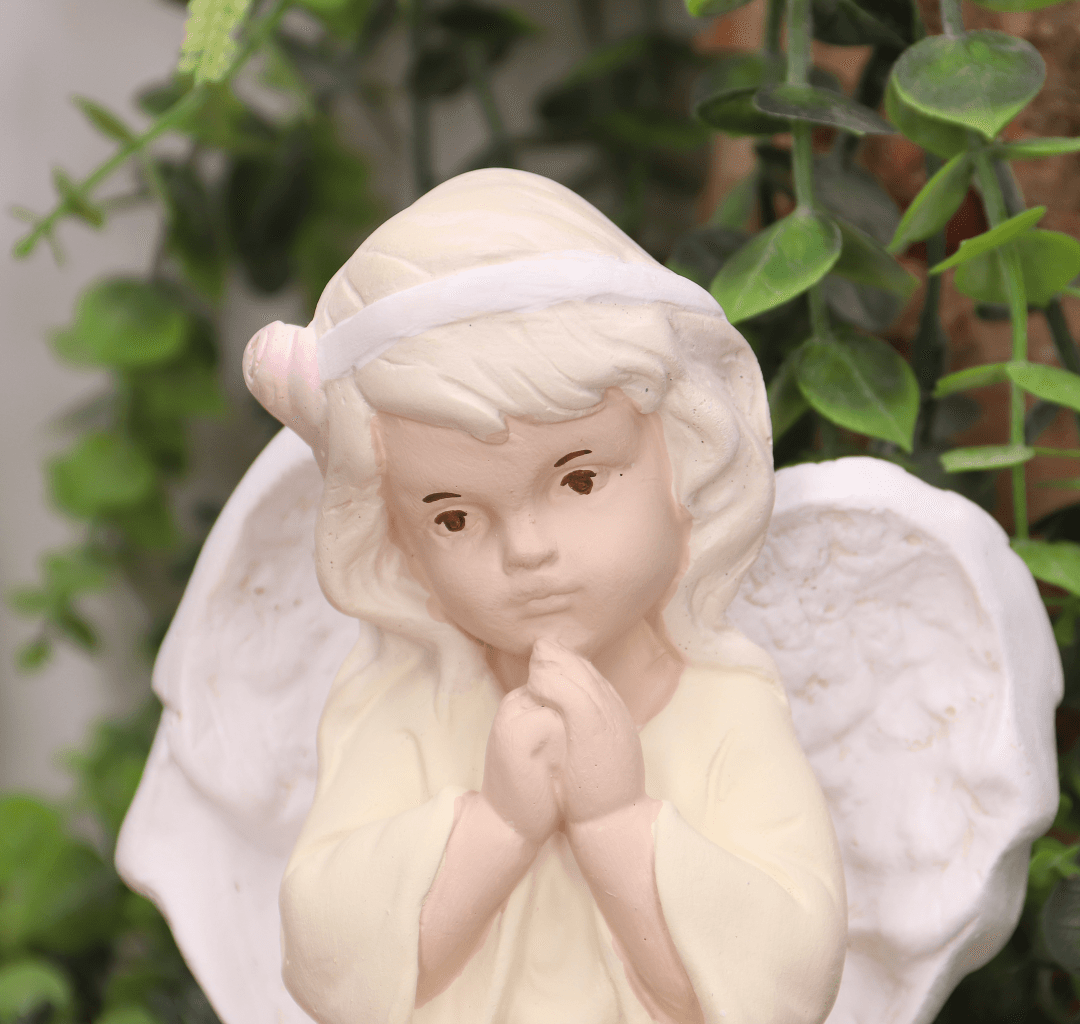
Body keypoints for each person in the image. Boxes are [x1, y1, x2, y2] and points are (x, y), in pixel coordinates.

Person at [242, 167, 847, 1024]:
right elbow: (325, 957)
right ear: (400, 543)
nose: (526, 550)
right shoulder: (406, 705)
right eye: (453, 518)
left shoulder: (724, 704)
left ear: (686, 456)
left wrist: (615, 822)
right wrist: (498, 827)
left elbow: (790, 980)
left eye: (581, 479)